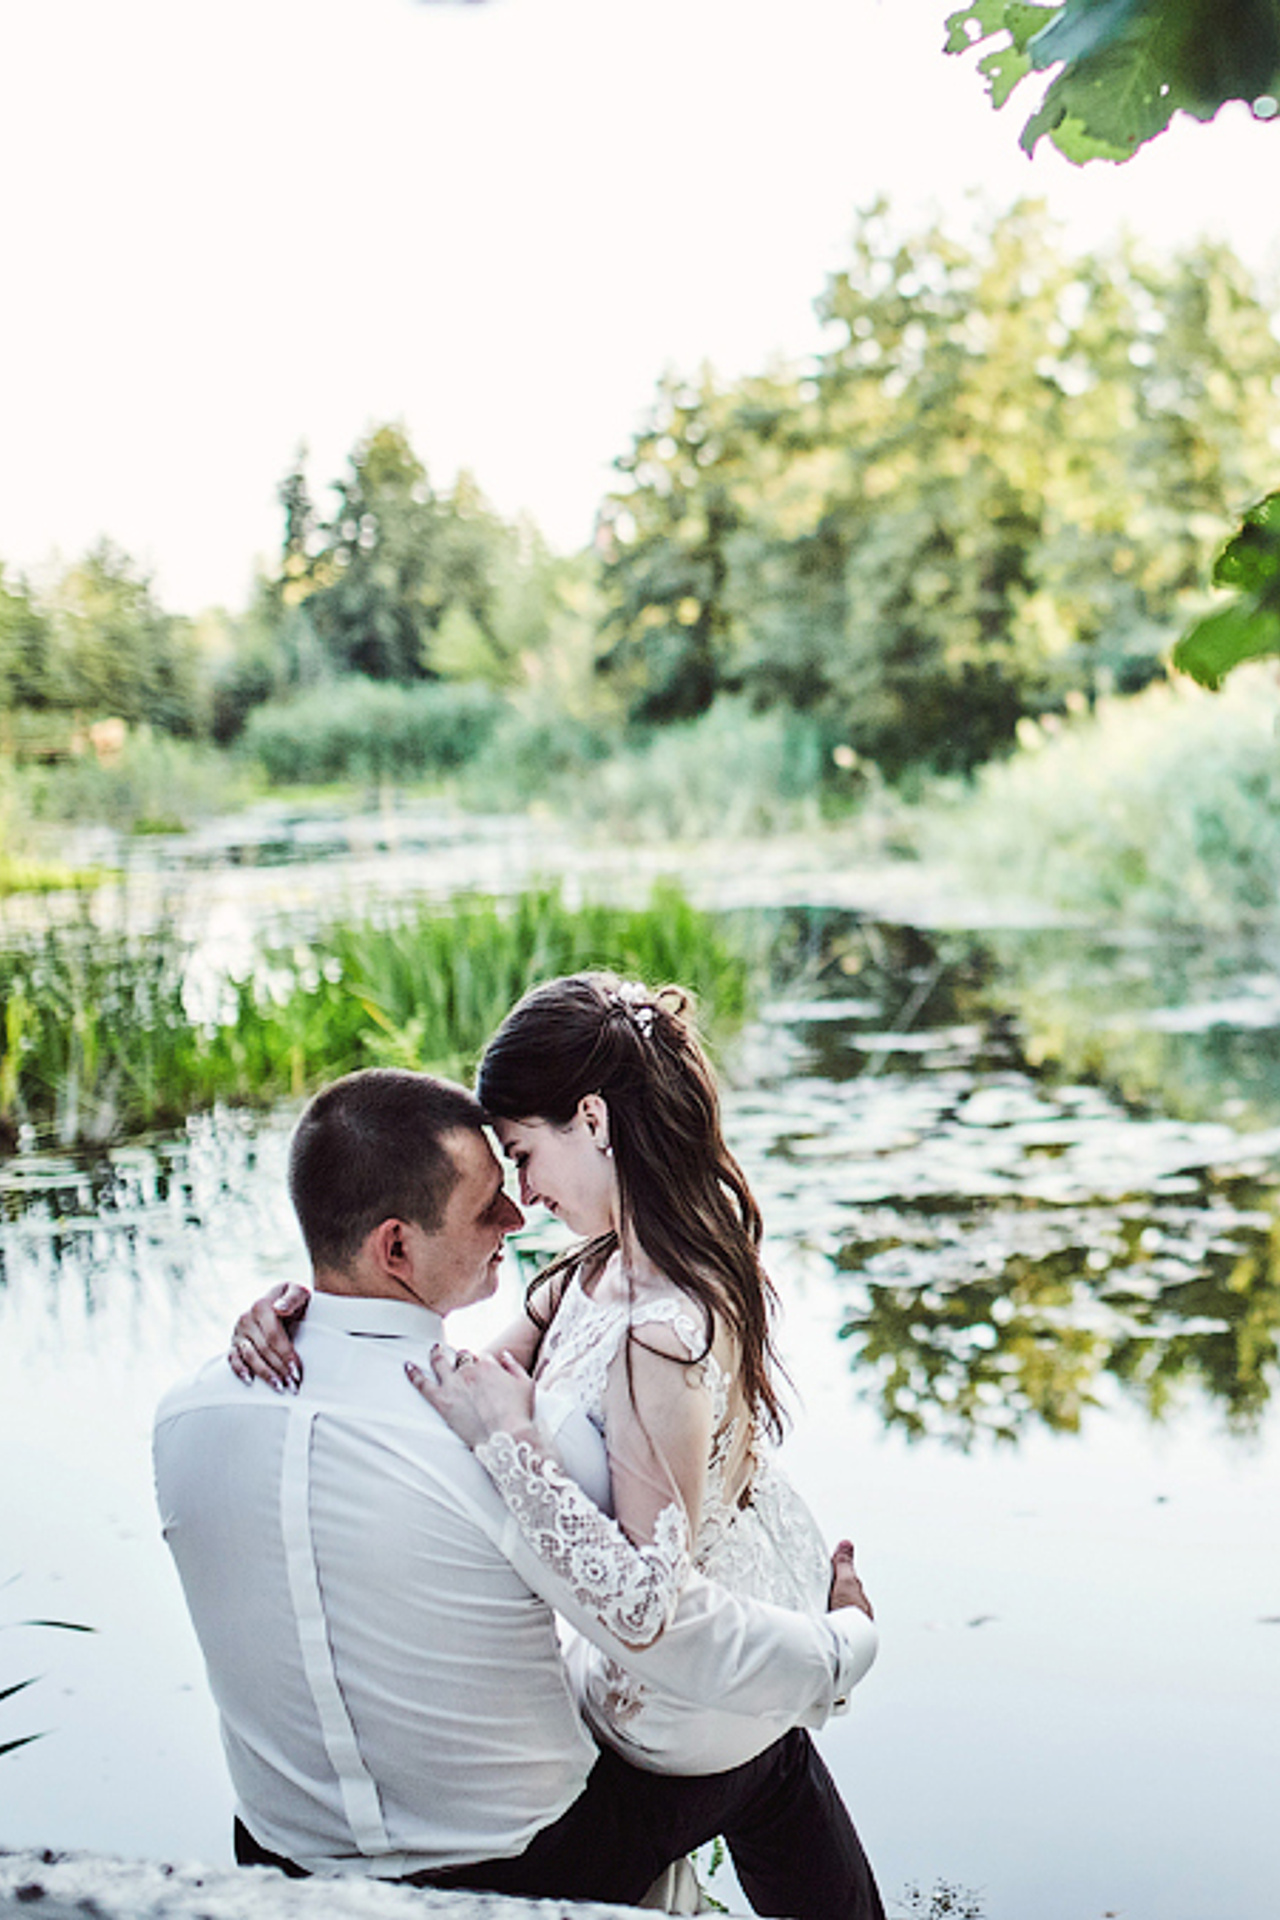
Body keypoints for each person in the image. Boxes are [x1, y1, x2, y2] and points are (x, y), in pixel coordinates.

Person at [163, 1065, 883, 1919]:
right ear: (395, 1248)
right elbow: (666, 1626)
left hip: (279, 1856)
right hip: (525, 1863)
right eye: (486, 1205)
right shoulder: (499, 1439)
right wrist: (842, 1646)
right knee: (772, 1756)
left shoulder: (188, 1413)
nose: (517, 1216)